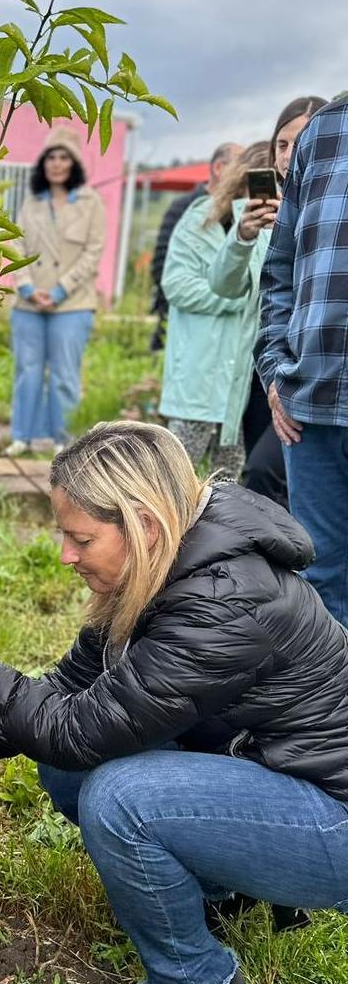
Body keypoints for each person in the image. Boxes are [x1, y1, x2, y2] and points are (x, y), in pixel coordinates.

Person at [0, 420, 348, 984]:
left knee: (120, 794)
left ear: (144, 525)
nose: (64, 554)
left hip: (332, 812)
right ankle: (215, 891)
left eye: (81, 537)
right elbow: (77, 690)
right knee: (69, 771)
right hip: (274, 770)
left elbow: (79, 729)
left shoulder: (224, 603)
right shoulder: (163, 566)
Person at [256, 95, 348, 627]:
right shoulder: (325, 129)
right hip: (309, 408)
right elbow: (281, 269)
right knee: (318, 586)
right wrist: (275, 373)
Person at [209, 98, 326, 507]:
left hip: (309, 369)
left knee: (268, 473)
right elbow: (222, 285)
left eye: (301, 141)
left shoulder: (329, 210)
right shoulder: (250, 211)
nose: (289, 154)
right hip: (256, 367)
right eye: (281, 144)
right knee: (262, 476)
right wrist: (242, 237)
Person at [158, 144, 271, 478]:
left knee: (227, 484)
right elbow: (176, 284)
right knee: (174, 477)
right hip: (200, 368)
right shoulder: (198, 219)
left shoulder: (276, 226)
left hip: (242, 383)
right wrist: (236, 297)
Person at [6, 127, 106, 456]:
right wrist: (26, 286)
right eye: (51, 157)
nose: (57, 164)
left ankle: (64, 439)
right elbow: (15, 243)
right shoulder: (31, 202)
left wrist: (61, 290)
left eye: (64, 157)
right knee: (28, 371)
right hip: (29, 303)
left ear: (74, 162)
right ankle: (23, 436)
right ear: (43, 163)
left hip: (72, 304)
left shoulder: (91, 203)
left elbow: (93, 251)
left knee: (65, 373)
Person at [149, 142, 241, 352]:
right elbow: (162, 266)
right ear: (219, 168)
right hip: (181, 317)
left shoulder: (239, 213)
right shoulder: (183, 209)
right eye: (239, 168)